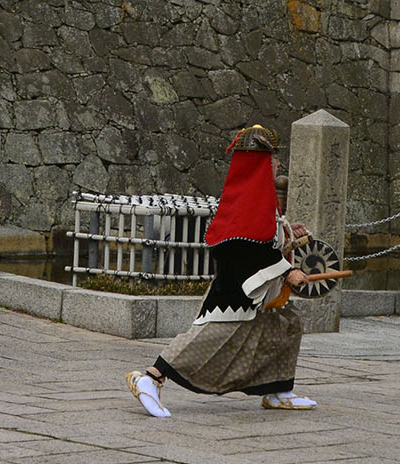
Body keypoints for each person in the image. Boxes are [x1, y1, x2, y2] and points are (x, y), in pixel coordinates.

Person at [128, 124, 317, 418]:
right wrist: (286, 272)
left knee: (285, 326)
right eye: (274, 158)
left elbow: (263, 238)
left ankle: (278, 390)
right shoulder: (250, 199)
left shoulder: (255, 195)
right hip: (238, 291)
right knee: (207, 339)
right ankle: (151, 378)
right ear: (261, 162)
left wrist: (289, 233)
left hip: (259, 290)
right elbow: (248, 248)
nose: (278, 163)